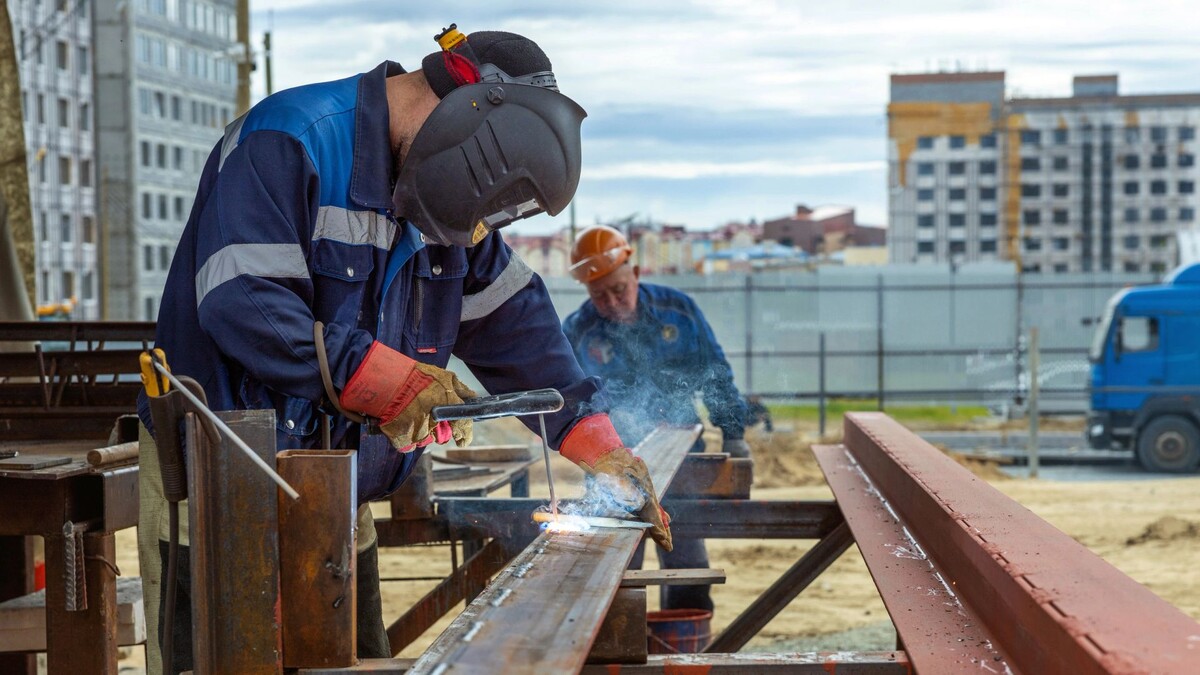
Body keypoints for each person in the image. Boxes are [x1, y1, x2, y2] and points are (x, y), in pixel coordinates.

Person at [136, 26, 670, 674]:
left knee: (352, 664)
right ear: (469, 112)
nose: (471, 228)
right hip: (220, 488)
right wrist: (389, 382)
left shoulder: (443, 204)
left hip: (338, 493)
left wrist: (598, 442)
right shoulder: (289, 139)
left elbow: (518, 329)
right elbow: (244, 303)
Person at [562, 224, 750, 613]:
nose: (613, 302)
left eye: (619, 290)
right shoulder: (578, 331)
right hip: (611, 468)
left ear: (636, 273)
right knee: (611, 578)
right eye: (600, 296)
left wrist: (733, 433)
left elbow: (715, 372)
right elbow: (568, 400)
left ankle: (684, 646)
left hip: (683, 464)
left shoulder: (678, 312)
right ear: (587, 291)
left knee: (688, 573)